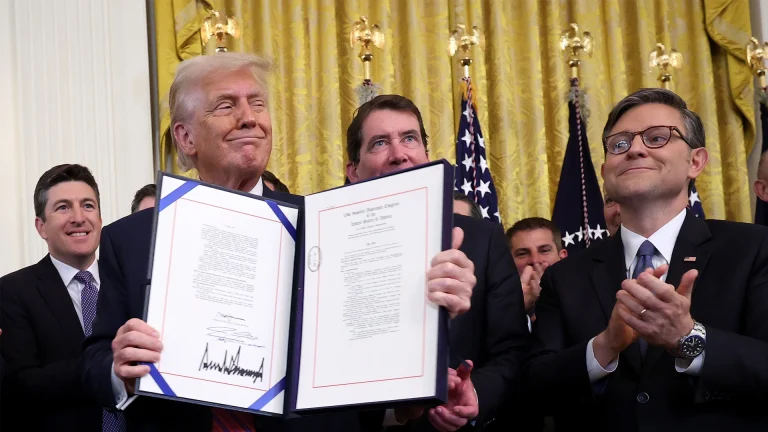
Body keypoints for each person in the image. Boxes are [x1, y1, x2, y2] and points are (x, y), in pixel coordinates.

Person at [82, 53, 474, 432]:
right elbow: (94, 363)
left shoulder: (331, 228)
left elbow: (367, 357)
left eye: (258, 103)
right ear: (186, 138)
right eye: (225, 106)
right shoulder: (130, 239)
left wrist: (426, 347)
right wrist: (120, 370)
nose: (249, 117)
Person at [523, 88, 768, 431]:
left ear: (695, 161)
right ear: (606, 169)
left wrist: (688, 337)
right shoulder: (564, 277)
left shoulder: (754, 249)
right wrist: (603, 347)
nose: (635, 149)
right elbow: (533, 389)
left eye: (657, 137)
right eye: (620, 143)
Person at [346, 94, 529, 431]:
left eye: (409, 138)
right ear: (353, 172)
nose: (398, 154)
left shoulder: (483, 239)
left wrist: (473, 391)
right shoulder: (329, 245)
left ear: (426, 156)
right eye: (379, 143)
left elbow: (513, 351)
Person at [0, 164, 124, 431]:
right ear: (41, 226)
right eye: (63, 207)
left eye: (88, 206)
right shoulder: (13, 291)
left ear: (100, 220)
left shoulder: (129, 282)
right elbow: (21, 384)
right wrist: (111, 367)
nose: (79, 217)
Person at [505, 217, 567, 316]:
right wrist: (519, 308)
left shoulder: (587, 298)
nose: (535, 260)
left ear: (562, 257)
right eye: (522, 254)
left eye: (544, 251)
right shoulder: (497, 306)